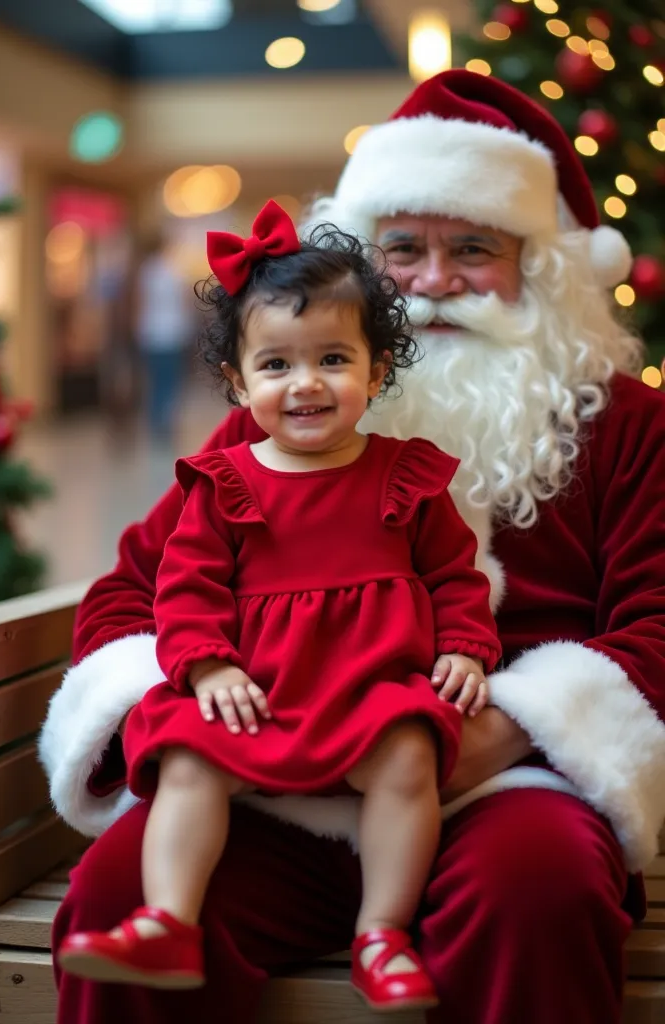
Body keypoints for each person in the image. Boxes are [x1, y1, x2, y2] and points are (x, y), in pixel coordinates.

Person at [40, 71, 665, 1024]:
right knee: (119, 897)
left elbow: (658, 629)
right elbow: (130, 598)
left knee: (541, 892)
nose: (435, 281)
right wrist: (206, 717)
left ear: (537, 267)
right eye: (403, 249)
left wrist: (499, 733)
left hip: (508, 779)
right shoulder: (270, 434)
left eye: (474, 249)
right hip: (271, 776)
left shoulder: (629, 427)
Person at [57, 201, 501, 1010]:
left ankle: (383, 933)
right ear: (236, 382)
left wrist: (464, 647)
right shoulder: (223, 484)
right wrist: (207, 664)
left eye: (333, 358)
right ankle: (167, 920)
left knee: (408, 757)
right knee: (188, 756)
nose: (305, 384)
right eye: (276, 366)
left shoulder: (405, 475)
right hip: (255, 698)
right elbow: (182, 588)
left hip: (369, 692)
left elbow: (455, 578)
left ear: (376, 370)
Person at [135, 236, 194, 442]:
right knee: (170, 381)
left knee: (155, 381)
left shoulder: (146, 272)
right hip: (173, 334)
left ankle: (155, 421)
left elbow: (140, 303)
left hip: (150, 333)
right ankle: (166, 421)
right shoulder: (174, 272)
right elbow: (185, 303)